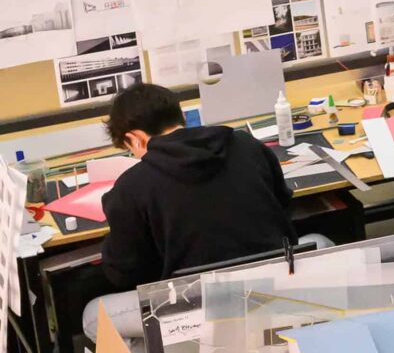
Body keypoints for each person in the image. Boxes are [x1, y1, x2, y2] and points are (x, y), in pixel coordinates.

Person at [95, 81, 295, 292]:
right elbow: (285, 209)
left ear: (134, 139)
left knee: (94, 311)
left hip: (193, 307)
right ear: (179, 116)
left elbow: (123, 274)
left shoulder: (131, 187)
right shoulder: (248, 145)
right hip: (279, 286)